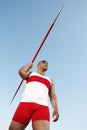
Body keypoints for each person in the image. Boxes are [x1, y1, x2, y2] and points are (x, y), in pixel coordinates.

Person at [9, 60, 59, 130]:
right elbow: (21, 72)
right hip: (26, 104)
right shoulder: (31, 74)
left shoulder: (50, 80)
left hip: (42, 107)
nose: (46, 63)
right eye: (44, 62)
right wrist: (28, 65)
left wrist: (56, 109)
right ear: (38, 65)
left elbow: (53, 96)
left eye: (47, 63)